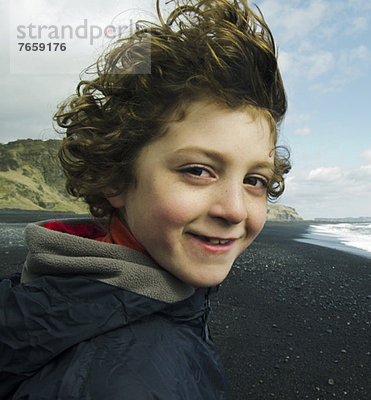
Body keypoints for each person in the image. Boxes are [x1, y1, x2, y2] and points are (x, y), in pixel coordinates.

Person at [0, 0, 289, 398]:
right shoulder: (128, 378)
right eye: (198, 171)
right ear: (115, 177)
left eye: (254, 179)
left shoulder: (53, 284)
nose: (235, 209)